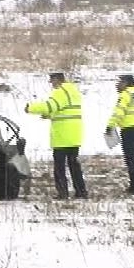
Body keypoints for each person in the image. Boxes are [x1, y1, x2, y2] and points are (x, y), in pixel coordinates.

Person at [25, 71, 88, 200]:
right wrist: (51, 115)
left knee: (59, 167)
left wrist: (30, 108)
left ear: (57, 80)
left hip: (62, 136)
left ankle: (62, 193)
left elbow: (49, 106)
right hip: (74, 134)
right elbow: (65, 110)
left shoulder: (59, 92)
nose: (51, 84)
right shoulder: (73, 91)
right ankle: (81, 191)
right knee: (74, 165)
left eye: (52, 81)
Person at [106, 73, 134, 198]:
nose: (117, 85)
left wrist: (110, 125)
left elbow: (119, 112)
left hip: (129, 129)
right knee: (132, 158)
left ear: (126, 83)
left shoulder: (125, 95)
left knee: (130, 159)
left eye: (119, 82)